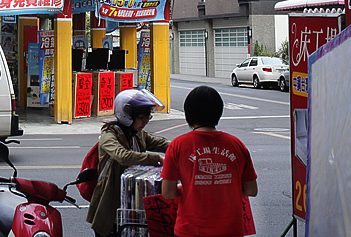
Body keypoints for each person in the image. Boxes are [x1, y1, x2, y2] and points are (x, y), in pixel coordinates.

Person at [161, 85, 258, 237]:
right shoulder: (236, 145)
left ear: (189, 114)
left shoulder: (178, 145)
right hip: (230, 230)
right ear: (219, 112)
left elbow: (167, 193)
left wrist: (188, 186)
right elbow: (251, 190)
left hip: (190, 230)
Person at [86, 89, 170, 237]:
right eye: (142, 118)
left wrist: (183, 146)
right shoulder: (109, 134)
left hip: (131, 201)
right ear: (127, 115)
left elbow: (162, 143)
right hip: (110, 203)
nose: (145, 122)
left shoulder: (138, 134)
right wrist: (156, 159)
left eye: (148, 118)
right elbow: (123, 156)